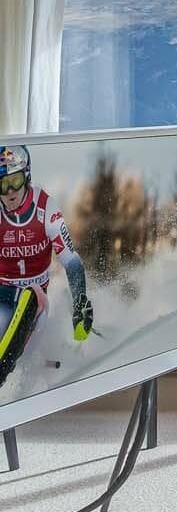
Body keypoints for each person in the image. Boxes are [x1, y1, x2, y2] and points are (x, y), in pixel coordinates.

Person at [0, 145, 93, 391]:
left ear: (27, 177)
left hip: (36, 303)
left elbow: (71, 260)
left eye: (15, 181)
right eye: (2, 185)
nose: (10, 192)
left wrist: (80, 303)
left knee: (32, 295)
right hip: (2, 294)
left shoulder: (45, 207)